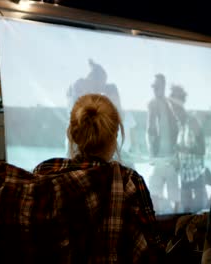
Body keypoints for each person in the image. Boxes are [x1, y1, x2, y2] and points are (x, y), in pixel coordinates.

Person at [29, 94, 164, 263]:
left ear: (72, 134)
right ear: (115, 135)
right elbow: (153, 252)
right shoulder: (129, 182)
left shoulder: (44, 171)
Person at [169, 85, 208, 212]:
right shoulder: (179, 126)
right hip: (184, 180)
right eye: (171, 107)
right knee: (186, 217)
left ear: (180, 105)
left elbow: (202, 150)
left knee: (199, 217)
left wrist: (185, 149)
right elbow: (180, 155)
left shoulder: (193, 122)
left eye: (174, 106)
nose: (173, 110)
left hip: (197, 180)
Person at [146, 73, 180, 212]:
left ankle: (176, 227)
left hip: (170, 158)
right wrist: (151, 155)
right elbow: (149, 130)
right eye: (153, 86)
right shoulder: (152, 104)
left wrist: (176, 154)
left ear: (163, 86)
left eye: (157, 85)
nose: (154, 88)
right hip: (158, 159)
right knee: (154, 197)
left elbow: (176, 128)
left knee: (175, 199)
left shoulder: (169, 104)